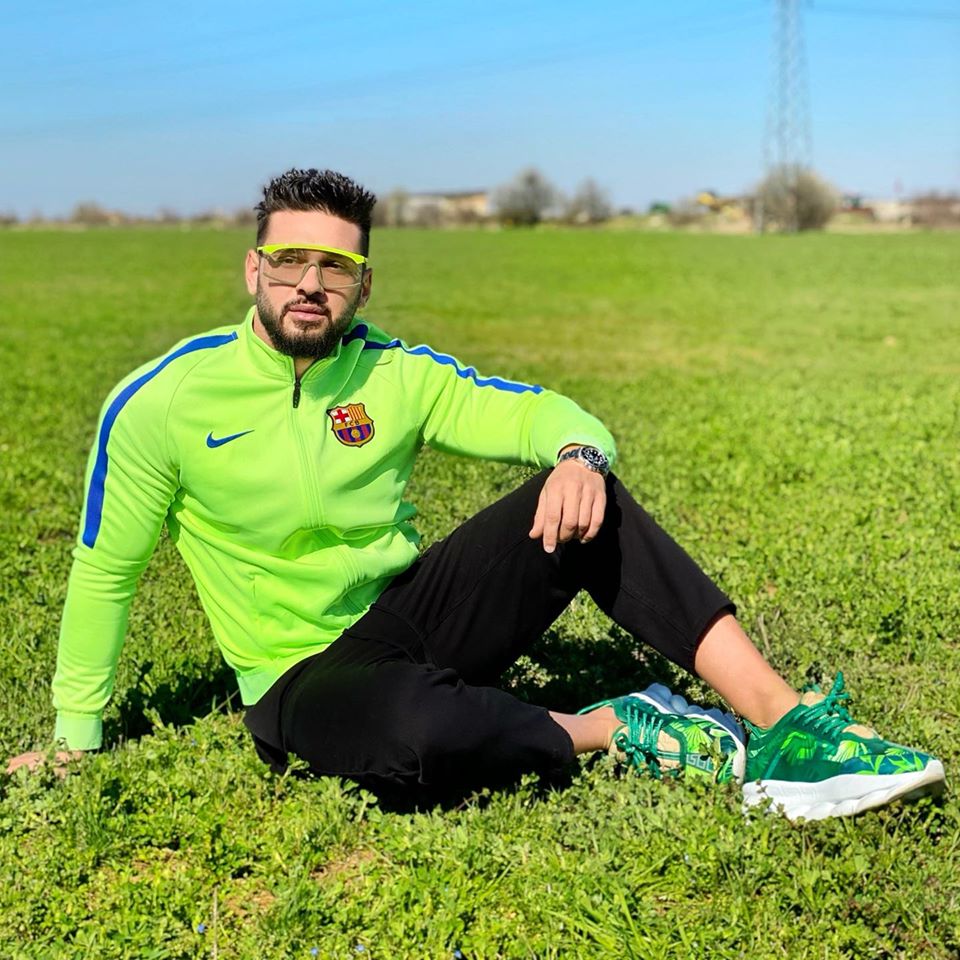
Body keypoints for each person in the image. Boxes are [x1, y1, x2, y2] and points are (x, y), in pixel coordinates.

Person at [7, 169, 944, 822]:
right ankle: (618, 725)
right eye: (289, 261)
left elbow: (544, 413)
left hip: (412, 618)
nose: (310, 285)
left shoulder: (396, 373)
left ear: (363, 284)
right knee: (415, 735)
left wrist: (579, 455)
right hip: (296, 675)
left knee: (589, 496)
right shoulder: (163, 400)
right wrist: (77, 736)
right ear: (253, 268)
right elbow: (106, 573)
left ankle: (785, 722)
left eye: (337, 269)